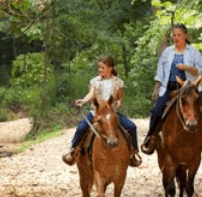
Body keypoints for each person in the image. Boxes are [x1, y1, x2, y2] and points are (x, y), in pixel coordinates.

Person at [62, 56, 142, 167]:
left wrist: (117, 106)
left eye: (102, 67)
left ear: (110, 68)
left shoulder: (118, 82)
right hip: (96, 112)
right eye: (99, 67)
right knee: (81, 128)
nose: (99, 70)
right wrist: (83, 101)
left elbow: (120, 98)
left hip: (111, 113)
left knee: (132, 127)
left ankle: (133, 153)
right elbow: (91, 94)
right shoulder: (95, 81)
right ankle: (73, 151)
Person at [142, 23, 202, 154]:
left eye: (179, 35)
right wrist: (156, 87)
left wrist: (186, 67)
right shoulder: (167, 52)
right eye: (174, 35)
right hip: (169, 87)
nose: (176, 38)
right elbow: (160, 72)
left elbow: (200, 70)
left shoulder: (194, 52)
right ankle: (151, 137)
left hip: (190, 88)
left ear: (186, 36)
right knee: (157, 110)